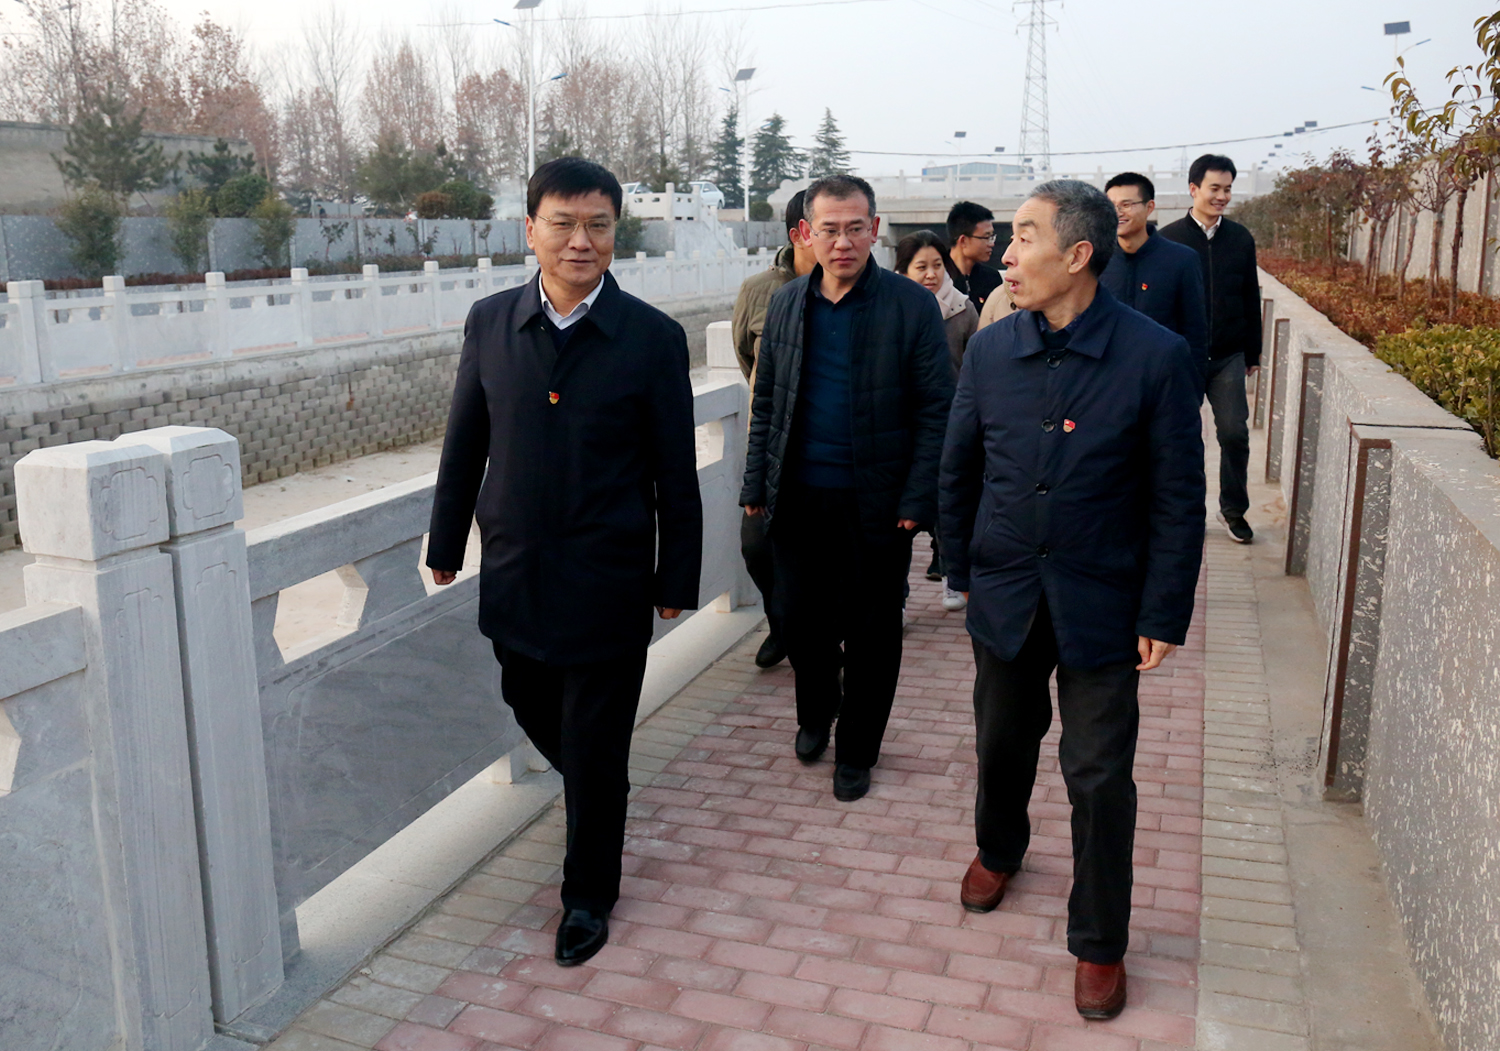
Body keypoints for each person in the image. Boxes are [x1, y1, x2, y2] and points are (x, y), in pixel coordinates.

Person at [426, 157, 703, 968]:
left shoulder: (651, 338)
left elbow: (675, 472)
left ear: (616, 232)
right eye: (564, 224)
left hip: (609, 573)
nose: (581, 241)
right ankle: (597, 785)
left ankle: (587, 893)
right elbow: (465, 441)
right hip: (516, 566)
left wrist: (676, 577)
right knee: (527, 694)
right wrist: (446, 542)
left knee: (596, 737)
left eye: (598, 225)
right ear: (531, 230)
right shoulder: (491, 322)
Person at [939, 180, 1204, 1021]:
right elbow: (960, 464)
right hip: (1006, 590)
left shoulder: (1156, 356)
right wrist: (959, 565)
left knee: (1098, 777)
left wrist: (1163, 611)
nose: (1007, 256)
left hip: (1104, 602)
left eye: (1024, 237)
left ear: (1079, 254)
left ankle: (1099, 939)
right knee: (1001, 744)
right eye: (1007, 239)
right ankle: (998, 848)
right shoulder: (992, 351)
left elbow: (1177, 498)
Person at [741, 174, 952, 803]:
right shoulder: (787, 303)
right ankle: (816, 710)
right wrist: (755, 483)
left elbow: (936, 410)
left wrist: (917, 499)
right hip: (797, 496)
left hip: (877, 501)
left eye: (855, 228)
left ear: (875, 230)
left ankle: (858, 748)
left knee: (872, 633)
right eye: (829, 229)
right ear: (806, 233)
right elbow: (767, 401)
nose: (843, 242)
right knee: (799, 622)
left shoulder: (910, 306)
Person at [731, 190, 816, 668]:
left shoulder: (852, 290)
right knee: (756, 546)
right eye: (824, 228)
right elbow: (748, 360)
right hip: (770, 447)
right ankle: (783, 622)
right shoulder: (758, 290)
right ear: (799, 233)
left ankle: (810, 638)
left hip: (828, 449)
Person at [1159, 154, 1262, 544]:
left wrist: (1252, 352)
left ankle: (1233, 510)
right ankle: (1177, 512)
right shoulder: (1168, 239)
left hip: (1228, 355)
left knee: (1234, 434)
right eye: (1214, 188)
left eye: (1228, 189)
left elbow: (1249, 296)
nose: (1222, 196)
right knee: (1177, 439)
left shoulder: (1240, 239)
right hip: (1182, 357)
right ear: (1194, 189)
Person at [894, 229, 974, 612]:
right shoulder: (892, 309)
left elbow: (974, 367)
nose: (931, 274)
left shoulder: (963, 310)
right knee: (899, 516)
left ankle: (952, 579)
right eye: (921, 266)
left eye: (937, 265)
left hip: (952, 423)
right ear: (903, 270)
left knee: (949, 508)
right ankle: (897, 595)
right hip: (902, 426)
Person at [1100, 172, 1209, 383]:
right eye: (1111, 206)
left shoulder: (1181, 260)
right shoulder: (1097, 260)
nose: (1118, 212)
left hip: (1162, 378)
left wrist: (1193, 385)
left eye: (1126, 205)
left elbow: (1195, 331)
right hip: (1108, 380)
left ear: (1149, 207)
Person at [946, 200, 1005, 313]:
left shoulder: (991, 278)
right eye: (986, 237)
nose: (991, 243)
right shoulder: (939, 277)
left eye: (992, 237)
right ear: (963, 240)